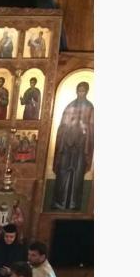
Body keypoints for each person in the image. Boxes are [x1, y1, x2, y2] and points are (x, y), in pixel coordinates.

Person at [51, 81, 94, 211]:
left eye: (83, 91)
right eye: (79, 90)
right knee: (63, 173)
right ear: (76, 91)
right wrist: (65, 138)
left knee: (77, 175)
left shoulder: (90, 107)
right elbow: (62, 125)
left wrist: (84, 134)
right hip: (66, 146)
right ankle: (59, 203)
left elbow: (92, 127)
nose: (81, 93)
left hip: (81, 148)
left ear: (86, 92)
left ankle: (74, 204)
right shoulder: (69, 106)